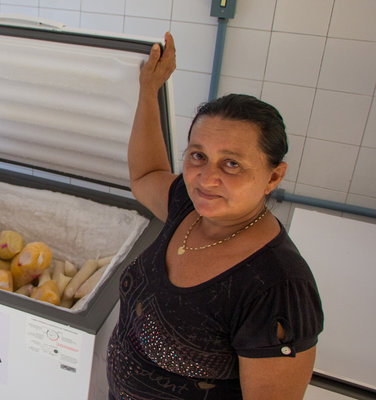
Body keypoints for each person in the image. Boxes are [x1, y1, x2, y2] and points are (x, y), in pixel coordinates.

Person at [106, 32, 324, 399]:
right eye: (198, 155)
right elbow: (145, 176)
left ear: (274, 176)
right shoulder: (187, 208)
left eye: (232, 163)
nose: (207, 178)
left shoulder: (278, 288)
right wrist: (148, 91)